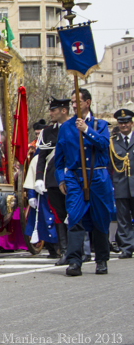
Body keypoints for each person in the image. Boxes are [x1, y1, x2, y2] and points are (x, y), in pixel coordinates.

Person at [54, 89, 115, 277]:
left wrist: (86, 130)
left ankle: (102, 259)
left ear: (87, 103)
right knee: (74, 218)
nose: (73, 105)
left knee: (100, 219)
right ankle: (74, 261)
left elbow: (103, 144)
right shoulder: (66, 127)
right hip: (75, 177)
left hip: (97, 177)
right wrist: (61, 179)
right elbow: (59, 160)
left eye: (77, 102)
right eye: (72, 102)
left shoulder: (100, 124)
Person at [33, 97, 72, 264]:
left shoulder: (74, 127)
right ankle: (64, 251)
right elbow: (41, 157)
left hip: (72, 178)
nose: (50, 114)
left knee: (74, 214)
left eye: (53, 110)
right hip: (53, 179)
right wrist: (39, 178)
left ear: (64, 110)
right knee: (59, 215)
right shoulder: (47, 132)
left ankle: (77, 250)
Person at [110, 108, 134, 259]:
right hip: (120, 185)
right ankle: (127, 247)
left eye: (127, 122)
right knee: (123, 219)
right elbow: (109, 165)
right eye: (121, 123)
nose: (124, 125)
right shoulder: (113, 142)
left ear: (131, 123)